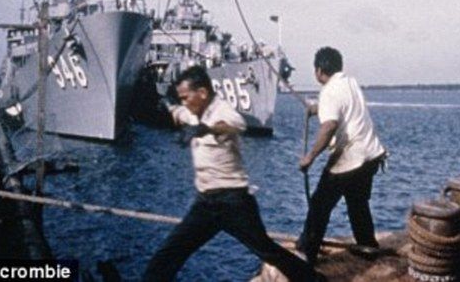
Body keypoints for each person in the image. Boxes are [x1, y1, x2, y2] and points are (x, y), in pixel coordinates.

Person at [141, 65, 320, 282]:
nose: (184, 102)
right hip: (206, 203)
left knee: (267, 251)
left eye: (186, 97)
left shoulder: (222, 111)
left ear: (203, 93)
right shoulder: (194, 111)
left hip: (233, 202)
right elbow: (181, 114)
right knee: (169, 253)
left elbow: (235, 126)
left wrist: (207, 129)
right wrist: (169, 105)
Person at [297, 47, 386, 264]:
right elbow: (343, 105)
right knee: (357, 202)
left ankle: (307, 254)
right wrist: (317, 108)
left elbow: (329, 126)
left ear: (319, 70)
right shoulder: (349, 82)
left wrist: (310, 157)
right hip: (372, 155)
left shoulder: (328, 91)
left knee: (319, 205)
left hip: (351, 158)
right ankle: (367, 246)